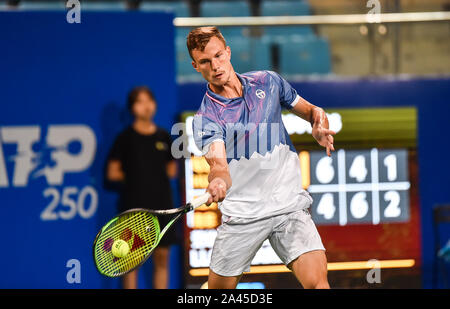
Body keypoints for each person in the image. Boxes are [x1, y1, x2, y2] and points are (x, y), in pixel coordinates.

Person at [187, 27, 335, 289]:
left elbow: (313, 110)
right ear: (195, 66)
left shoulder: (268, 82)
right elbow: (218, 165)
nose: (216, 66)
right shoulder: (206, 118)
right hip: (243, 215)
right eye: (205, 62)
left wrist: (319, 123)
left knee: (317, 284)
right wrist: (218, 181)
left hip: (288, 205)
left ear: (228, 51)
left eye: (219, 56)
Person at [106, 86, 177, 289]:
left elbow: (172, 170)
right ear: (132, 108)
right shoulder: (125, 139)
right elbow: (112, 172)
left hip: (163, 208)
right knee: (130, 263)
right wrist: (138, 177)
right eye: (140, 102)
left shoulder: (163, 136)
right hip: (134, 210)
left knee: (162, 260)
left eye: (149, 101)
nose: (146, 106)